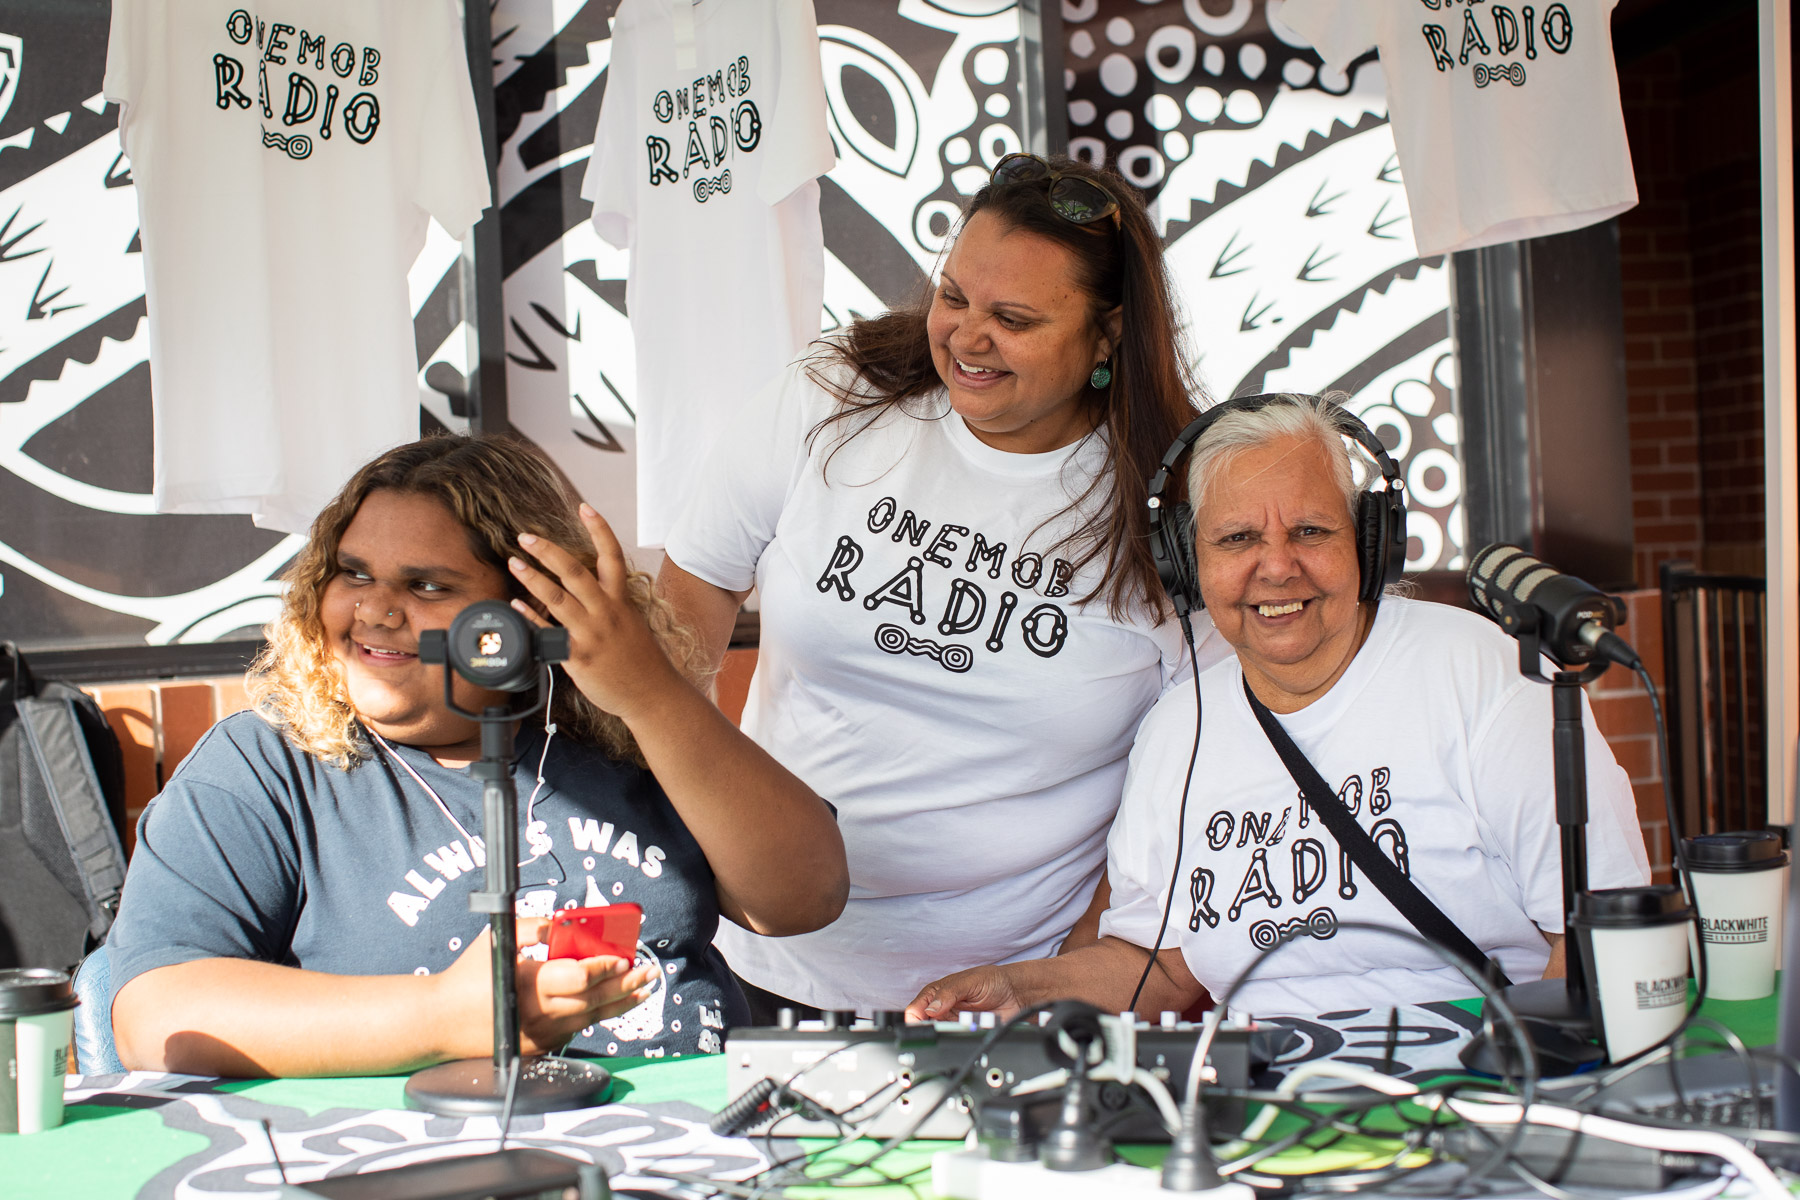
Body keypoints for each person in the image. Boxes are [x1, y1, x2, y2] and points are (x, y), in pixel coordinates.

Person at [658, 154, 1228, 1015]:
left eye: (1014, 317)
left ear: (1107, 336)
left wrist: (1067, 983)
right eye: (953, 296)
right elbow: (689, 598)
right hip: (761, 954)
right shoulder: (837, 393)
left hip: (1006, 992)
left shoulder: (1174, 503)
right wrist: (686, 834)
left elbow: (1198, 778)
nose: (966, 336)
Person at [107, 435, 847, 1076]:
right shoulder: (264, 768)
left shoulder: (625, 733)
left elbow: (802, 899)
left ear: (535, 607)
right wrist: (441, 1018)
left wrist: (652, 696)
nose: (375, 609)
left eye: (427, 584)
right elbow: (156, 1015)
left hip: (685, 1148)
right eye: (353, 572)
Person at [907, 394, 1650, 1020]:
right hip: (1269, 1113)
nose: (1276, 566)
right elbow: (1157, 966)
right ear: (1189, 563)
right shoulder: (1179, 728)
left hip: (1473, 1094)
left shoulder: (1483, 674)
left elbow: (1599, 935)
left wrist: (1525, 1097)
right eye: (1236, 539)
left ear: (1369, 539)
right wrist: (1016, 984)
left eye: (1311, 531)